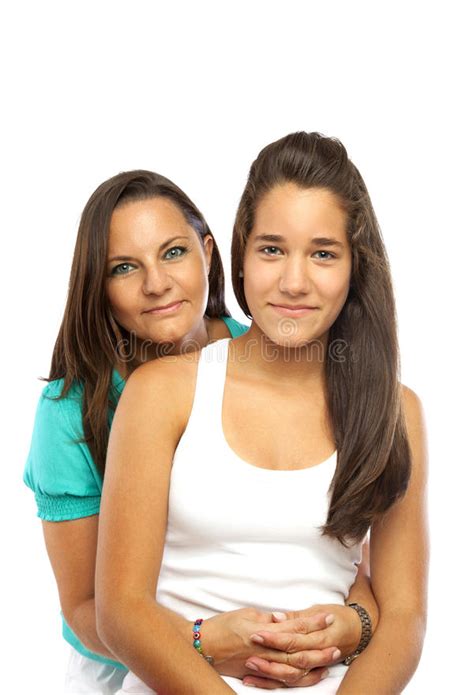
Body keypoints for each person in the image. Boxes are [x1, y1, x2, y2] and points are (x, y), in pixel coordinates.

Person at [96, 132, 428, 694]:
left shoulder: (395, 411)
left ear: (354, 267)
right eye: (272, 249)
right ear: (242, 256)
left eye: (323, 253)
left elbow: (404, 620)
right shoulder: (162, 394)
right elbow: (122, 611)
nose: (294, 282)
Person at [24, 169, 374, 694]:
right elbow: (83, 607)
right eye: (124, 267)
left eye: (173, 253)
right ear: (98, 285)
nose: (156, 284)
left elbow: (338, 549)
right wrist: (201, 642)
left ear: (208, 253)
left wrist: (344, 626)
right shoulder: (71, 412)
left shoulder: (267, 354)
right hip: (121, 663)